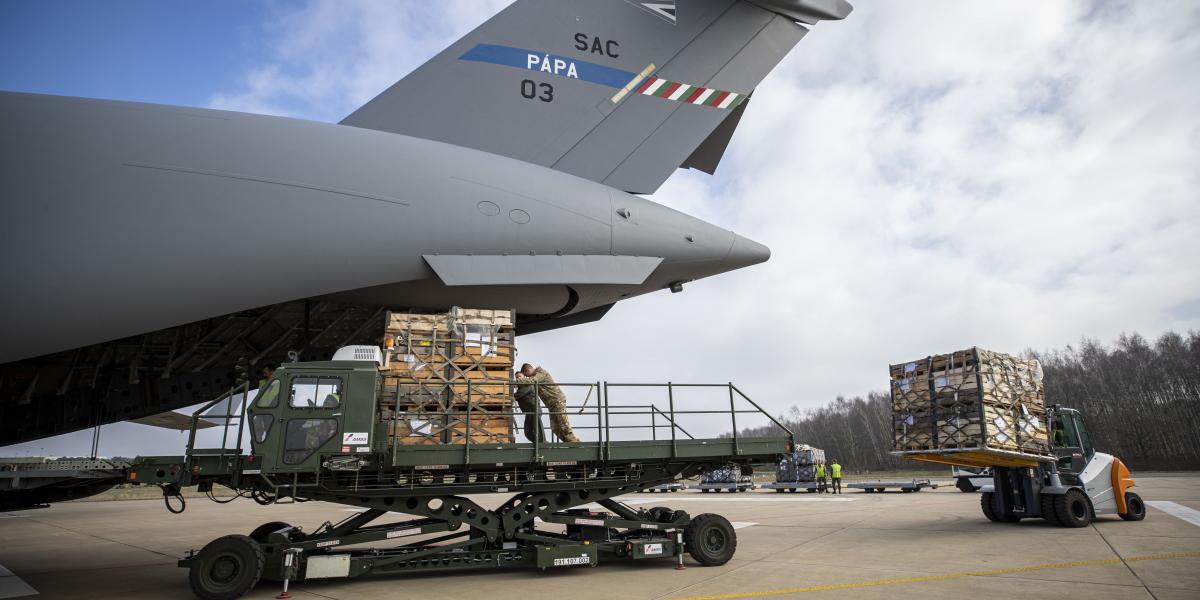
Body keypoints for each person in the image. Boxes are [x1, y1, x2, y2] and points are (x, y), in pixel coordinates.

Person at [514, 363, 579, 443]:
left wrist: (517, 382)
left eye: (526, 375)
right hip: (551, 404)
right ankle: (568, 442)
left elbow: (533, 381)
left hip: (557, 400)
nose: (527, 377)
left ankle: (575, 443)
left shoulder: (541, 373)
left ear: (528, 370)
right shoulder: (534, 376)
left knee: (563, 424)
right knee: (555, 428)